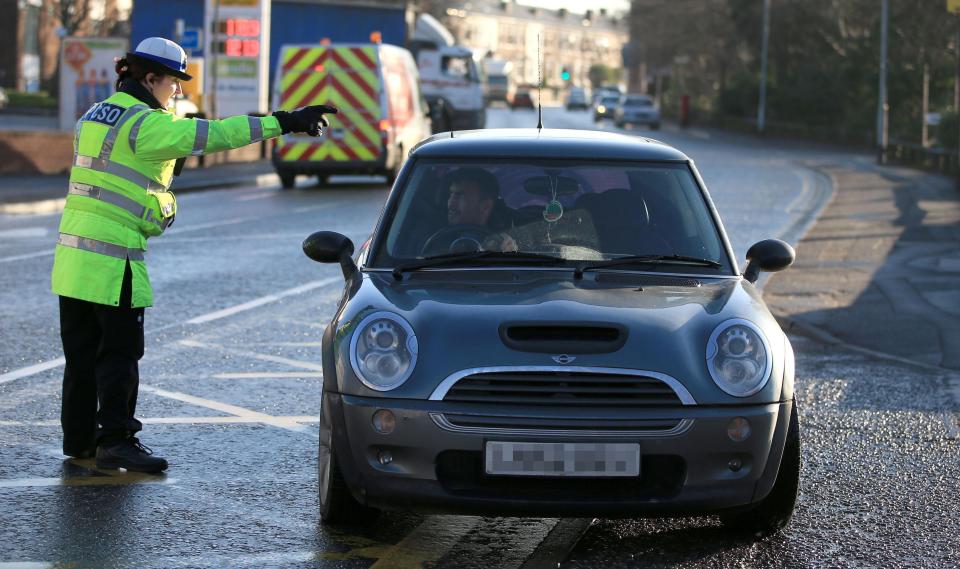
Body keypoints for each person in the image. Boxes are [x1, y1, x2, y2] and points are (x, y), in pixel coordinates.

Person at [52, 37, 338, 473]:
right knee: (120, 355)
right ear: (150, 79)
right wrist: (285, 121)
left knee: (82, 355)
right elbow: (217, 134)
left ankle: (80, 440)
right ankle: (117, 440)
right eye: (174, 83)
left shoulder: (95, 115)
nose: (178, 92)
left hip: (72, 260)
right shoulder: (146, 124)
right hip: (114, 261)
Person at [443, 167, 516, 252]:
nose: (450, 205)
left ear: (485, 206)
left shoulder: (505, 241)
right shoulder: (430, 234)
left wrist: (510, 250)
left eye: (460, 196)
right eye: (451, 194)